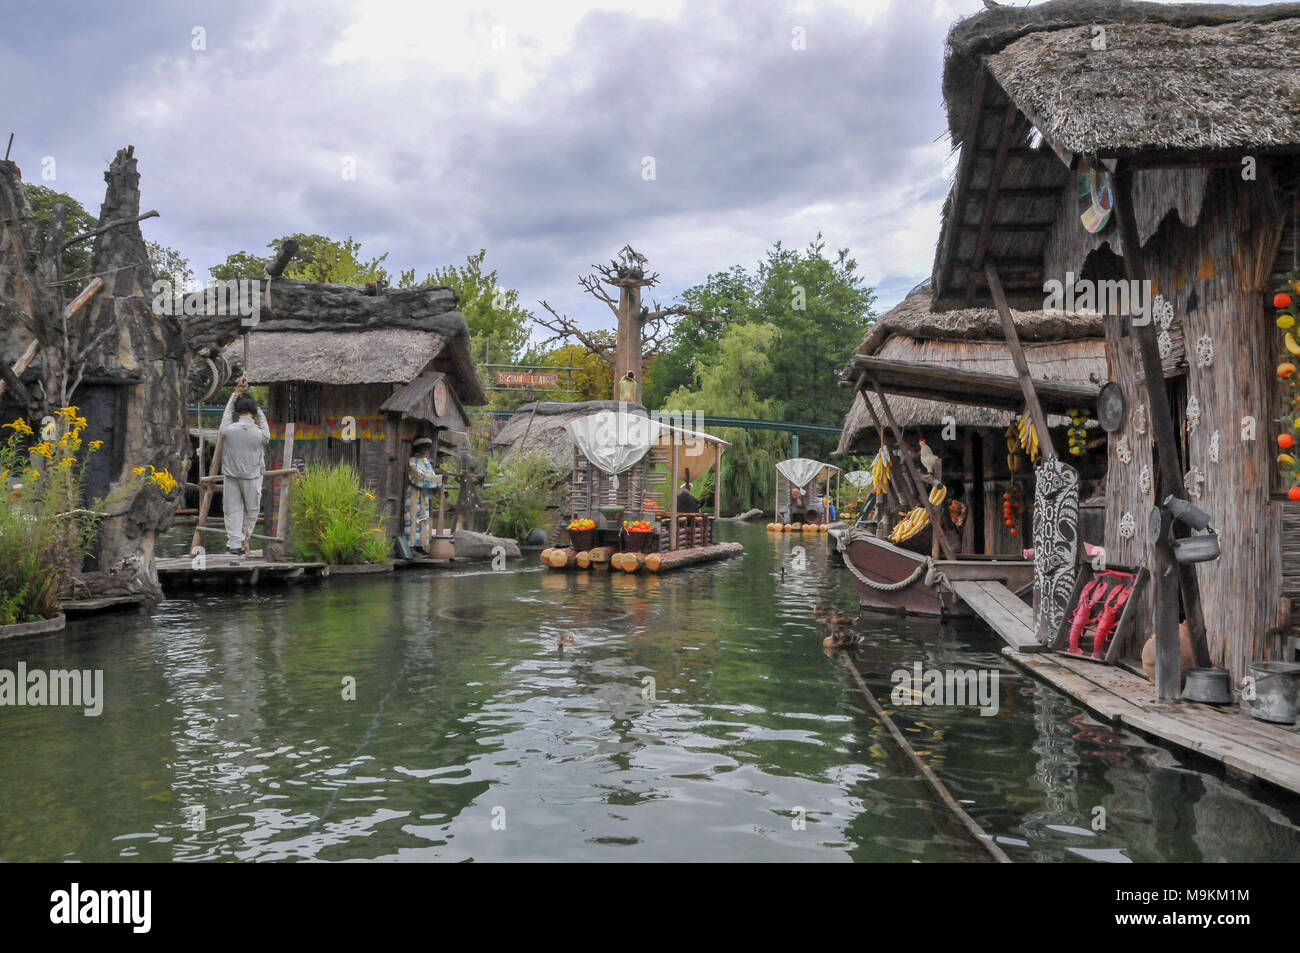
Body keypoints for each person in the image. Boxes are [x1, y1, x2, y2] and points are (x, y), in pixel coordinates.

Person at [219, 378, 269, 557]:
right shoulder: (259, 433)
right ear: (253, 412)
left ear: (238, 411)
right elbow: (267, 432)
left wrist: (234, 396)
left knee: (232, 509)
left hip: (231, 476)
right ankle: (244, 538)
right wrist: (259, 411)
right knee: (253, 510)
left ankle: (234, 544)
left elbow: (225, 417)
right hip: (252, 476)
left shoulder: (228, 430)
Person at [404, 436, 442, 554]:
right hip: (414, 495)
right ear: (418, 448)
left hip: (424, 495)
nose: (426, 451)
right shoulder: (412, 461)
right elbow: (419, 477)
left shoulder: (426, 462)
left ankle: (421, 546)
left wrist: (437, 481)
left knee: (423, 519)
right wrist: (438, 480)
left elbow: (431, 475)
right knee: (412, 518)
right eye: (424, 448)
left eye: (427, 448)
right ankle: (410, 546)